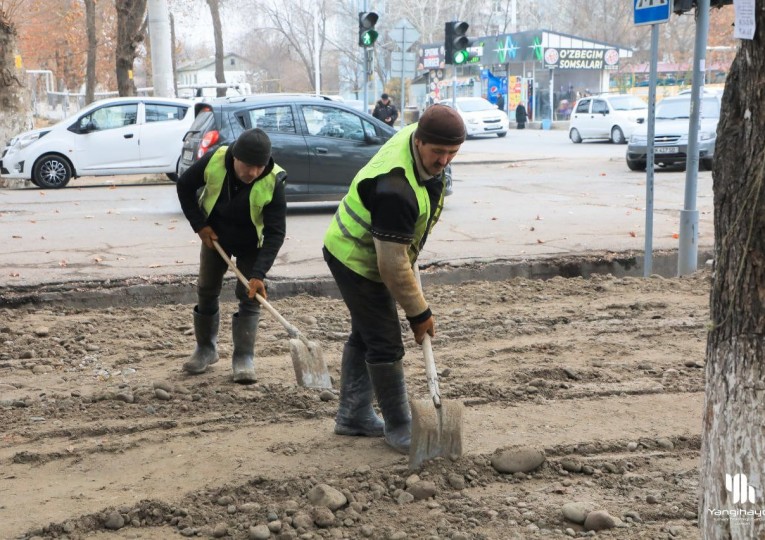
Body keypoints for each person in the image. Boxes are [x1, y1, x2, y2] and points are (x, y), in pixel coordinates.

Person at [322, 105, 466, 454]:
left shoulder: (422, 137)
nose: (445, 161)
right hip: (356, 258)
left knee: (367, 331)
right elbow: (391, 266)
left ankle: (353, 415)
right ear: (419, 142)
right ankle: (399, 426)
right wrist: (420, 313)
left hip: (373, 249)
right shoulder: (395, 188)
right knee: (385, 340)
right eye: (438, 153)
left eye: (452, 153)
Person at [177, 129, 287, 384]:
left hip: (252, 243)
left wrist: (259, 274)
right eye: (248, 166)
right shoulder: (216, 160)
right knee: (206, 289)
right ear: (236, 157)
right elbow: (184, 185)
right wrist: (199, 225)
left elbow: (275, 233)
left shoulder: (274, 180)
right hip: (216, 237)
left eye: (259, 167)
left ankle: (244, 357)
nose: (253, 173)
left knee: (250, 297)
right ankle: (206, 349)